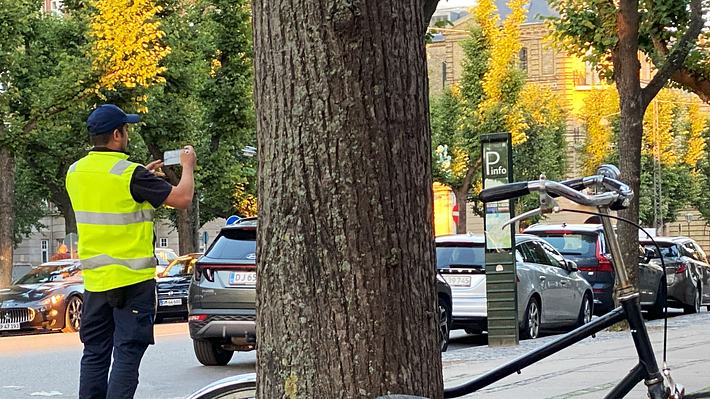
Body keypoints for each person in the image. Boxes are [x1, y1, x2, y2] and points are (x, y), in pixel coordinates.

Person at [65, 104, 196, 399]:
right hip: (133, 281)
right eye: (125, 130)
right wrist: (187, 166)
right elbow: (183, 197)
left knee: (95, 353)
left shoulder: (75, 172)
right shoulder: (130, 174)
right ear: (116, 134)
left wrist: (144, 177)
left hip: (96, 282)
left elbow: (110, 196)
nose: (127, 135)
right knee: (127, 354)